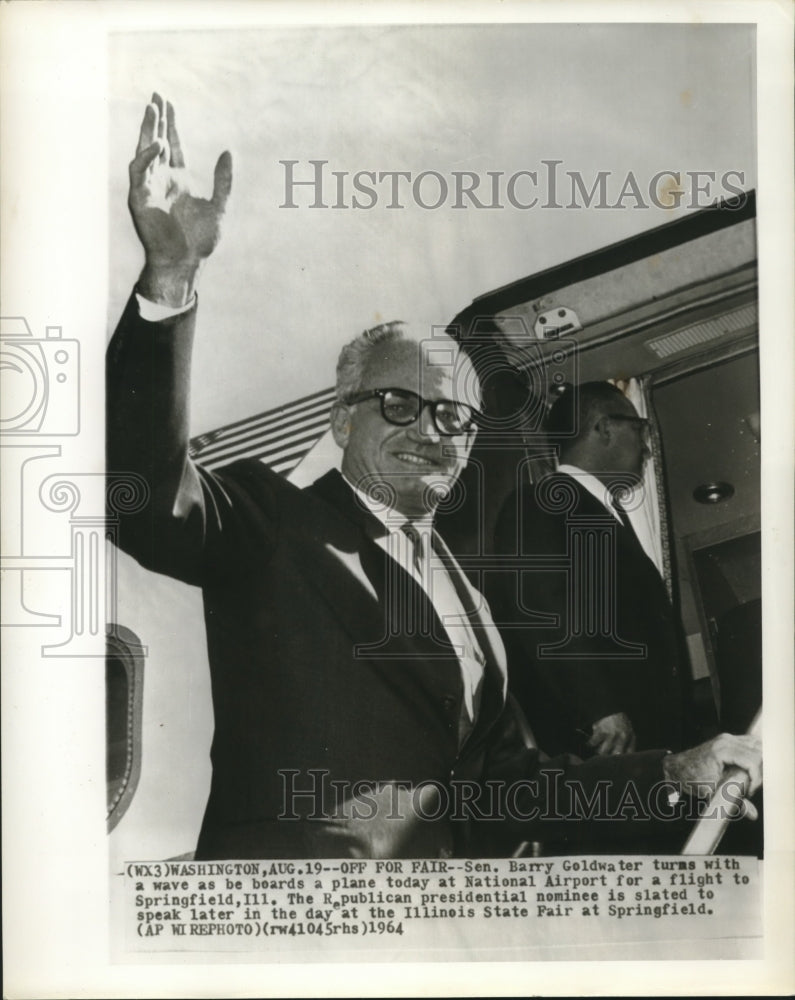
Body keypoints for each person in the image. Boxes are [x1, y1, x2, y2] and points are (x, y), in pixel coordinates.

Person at [107, 94, 761, 859]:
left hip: (435, 930)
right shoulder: (272, 523)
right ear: (343, 420)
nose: (428, 430)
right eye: (399, 403)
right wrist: (170, 274)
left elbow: (511, 789)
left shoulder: (472, 601)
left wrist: (674, 773)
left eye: (453, 418)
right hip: (312, 926)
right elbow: (144, 497)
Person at [491, 382, 689, 758]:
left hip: (651, 748)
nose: (646, 447)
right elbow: (544, 610)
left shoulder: (610, 519)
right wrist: (599, 709)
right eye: (639, 429)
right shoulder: (538, 505)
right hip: (606, 746)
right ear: (604, 428)